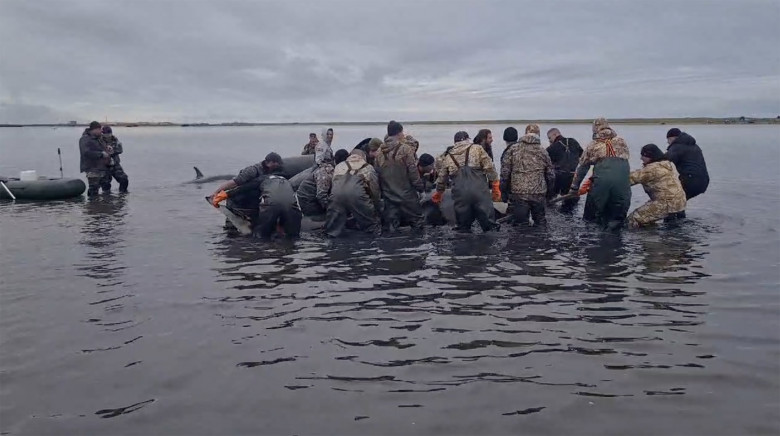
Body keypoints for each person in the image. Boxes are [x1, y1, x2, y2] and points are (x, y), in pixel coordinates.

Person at [212, 153, 302, 238]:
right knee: (233, 231)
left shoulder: (275, 173)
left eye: (278, 163)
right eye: (276, 163)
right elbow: (234, 183)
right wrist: (219, 193)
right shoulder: (252, 171)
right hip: (239, 200)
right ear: (268, 162)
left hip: (254, 202)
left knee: (255, 229)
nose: (278, 165)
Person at [569, 118, 632, 230]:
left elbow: (582, 168)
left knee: (591, 221)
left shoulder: (593, 145)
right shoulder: (622, 142)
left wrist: (574, 188)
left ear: (594, 129)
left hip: (601, 186)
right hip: (623, 187)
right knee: (616, 222)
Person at [433, 131, 501, 232]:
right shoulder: (477, 149)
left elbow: (441, 179)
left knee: (463, 228)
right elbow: (490, 168)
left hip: (461, 195)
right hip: (480, 192)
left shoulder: (448, 156)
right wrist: (495, 187)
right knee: (490, 227)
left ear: (455, 142)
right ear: (468, 139)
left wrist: (438, 193)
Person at [500, 124, 555, 226]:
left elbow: (505, 173)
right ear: (539, 134)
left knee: (520, 225)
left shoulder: (513, 149)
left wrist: (504, 192)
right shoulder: (543, 151)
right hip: (539, 193)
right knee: (540, 223)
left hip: (519, 194)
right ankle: (542, 241)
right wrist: (549, 193)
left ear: (525, 133)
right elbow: (551, 175)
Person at [375, 121, 424, 231]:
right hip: (406, 195)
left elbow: (377, 174)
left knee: (391, 226)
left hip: (389, 196)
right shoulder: (405, 149)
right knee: (417, 222)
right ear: (399, 133)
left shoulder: (379, 152)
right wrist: (420, 188)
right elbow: (413, 172)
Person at [325, 149, 382, 237]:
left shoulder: (339, 166)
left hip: (336, 196)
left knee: (332, 231)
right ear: (363, 157)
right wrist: (376, 208)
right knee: (371, 227)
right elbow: (374, 190)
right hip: (357, 195)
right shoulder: (368, 167)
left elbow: (334, 184)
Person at [628, 144, 687, 228]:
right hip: (679, 202)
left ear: (650, 156)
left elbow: (629, 180)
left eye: (643, 155)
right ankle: (654, 234)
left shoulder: (652, 169)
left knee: (633, 219)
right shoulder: (666, 164)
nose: (641, 158)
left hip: (666, 204)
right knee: (647, 218)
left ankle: (647, 238)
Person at [665, 128, 709, 200]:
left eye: (668, 139)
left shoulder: (676, 146)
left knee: (672, 201)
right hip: (704, 181)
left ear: (673, 138)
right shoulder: (694, 146)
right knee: (679, 202)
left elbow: (664, 161)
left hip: (690, 181)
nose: (668, 142)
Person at [546, 128, 582, 211]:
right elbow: (582, 155)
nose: (549, 141)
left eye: (549, 138)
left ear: (555, 135)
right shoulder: (573, 141)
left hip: (558, 178)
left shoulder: (552, 148)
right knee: (570, 205)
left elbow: (545, 162)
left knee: (549, 201)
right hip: (572, 177)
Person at [296, 143, 335, 217]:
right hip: (308, 201)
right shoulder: (324, 172)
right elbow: (321, 195)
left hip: (310, 197)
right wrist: (331, 209)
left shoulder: (322, 168)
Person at [79, 121, 111, 197]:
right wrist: (101, 154)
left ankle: (104, 207)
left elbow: (102, 147)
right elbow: (86, 152)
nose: (101, 131)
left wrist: (107, 148)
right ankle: (92, 207)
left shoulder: (99, 138)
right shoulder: (85, 139)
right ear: (95, 129)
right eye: (100, 129)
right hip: (92, 168)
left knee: (106, 188)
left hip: (102, 168)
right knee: (94, 190)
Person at [99, 126, 129, 193]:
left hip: (115, 164)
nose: (107, 136)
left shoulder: (115, 140)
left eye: (109, 134)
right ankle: (106, 200)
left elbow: (120, 150)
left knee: (124, 179)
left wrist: (112, 151)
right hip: (104, 166)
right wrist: (105, 152)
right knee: (105, 184)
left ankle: (122, 195)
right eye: (105, 134)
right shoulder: (99, 141)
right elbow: (97, 152)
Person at [499, 127, 519, 201]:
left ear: (504, 138)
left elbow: (505, 174)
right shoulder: (524, 149)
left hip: (514, 191)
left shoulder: (508, 152)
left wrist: (503, 191)